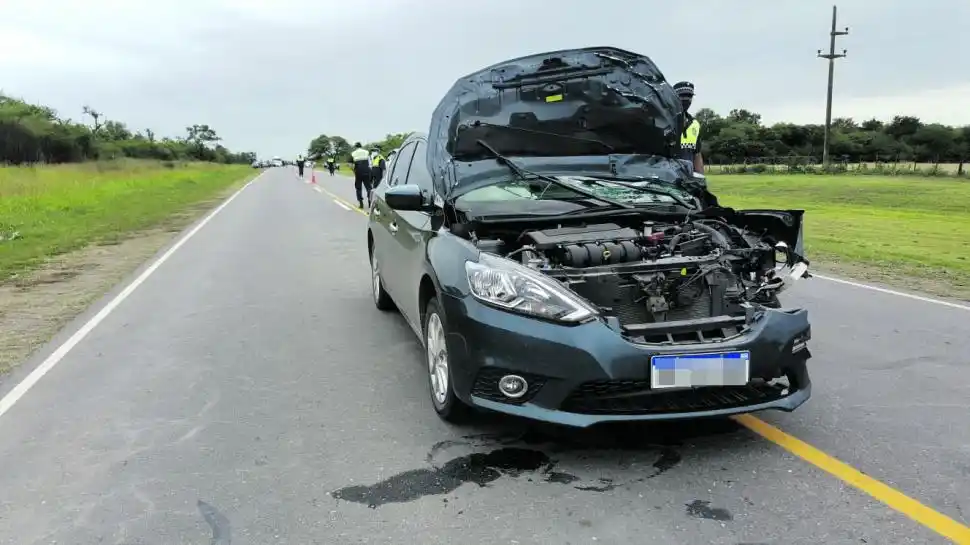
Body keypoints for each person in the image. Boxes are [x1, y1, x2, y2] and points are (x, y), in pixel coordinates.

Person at [673, 81, 704, 174]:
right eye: (682, 96)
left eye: (689, 96)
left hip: (689, 180)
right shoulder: (664, 121)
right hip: (668, 180)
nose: (686, 99)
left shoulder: (695, 124)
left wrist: (701, 179)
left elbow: (697, 154)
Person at [350, 142, 372, 208]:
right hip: (366, 171)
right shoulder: (366, 152)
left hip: (358, 172)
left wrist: (354, 171)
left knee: (358, 188)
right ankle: (369, 201)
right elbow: (370, 162)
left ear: (355, 147)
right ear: (361, 146)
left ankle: (361, 203)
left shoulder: (353, 153)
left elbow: (350, 165)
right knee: (368, 187)